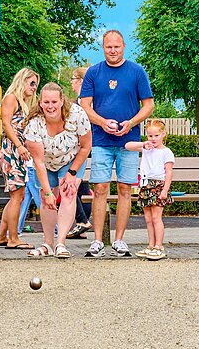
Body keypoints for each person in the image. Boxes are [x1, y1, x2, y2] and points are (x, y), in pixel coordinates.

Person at [79, 30, 154, 258]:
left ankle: (120, 240)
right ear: (103, 48)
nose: (113, 50)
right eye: (108, 47)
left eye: (116, 47)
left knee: (125, 188)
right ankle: (98, 241)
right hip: (101, 140)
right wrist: (102, 123)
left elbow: (149, 105)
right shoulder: (93, 73)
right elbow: (84, 105)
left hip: (129, 141)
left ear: (123, 46)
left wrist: (131, 123)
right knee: (100, 188)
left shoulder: (136, 71)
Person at [22, 82, 93, 258]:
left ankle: (60, 243)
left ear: (62, 101)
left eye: (54, 101)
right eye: (46, 102)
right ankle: (48, 243)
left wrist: (72, 173)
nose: (50, 106)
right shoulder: (34, 125)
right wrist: (47, 192)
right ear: (40, 103)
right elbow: (38, 161)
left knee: (68, 192)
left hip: (72, 158)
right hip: (46, 162)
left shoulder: (77, 115)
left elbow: (86, 147)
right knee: (47, 200)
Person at [0, 67, 39, 250]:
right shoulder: (11, 98)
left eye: (36, 84)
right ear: (23, 80)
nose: (34, 87)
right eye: (32, 83)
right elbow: (6, 123)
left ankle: (2, 236)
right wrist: (19, 146)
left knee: (16, 196)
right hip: (12, 150)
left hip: (20, 152)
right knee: (17, 196)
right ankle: (13, 238)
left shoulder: (26, 103)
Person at [125, 118, 175, 260]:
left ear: (163, 134)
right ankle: (151, 245)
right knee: (147, 218)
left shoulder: (166, 152)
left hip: (159, 185)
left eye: (156, 136)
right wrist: (143, 144)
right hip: (146, 185)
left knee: (156, 217)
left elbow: (169, 172)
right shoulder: (146, 148)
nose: (153, 139)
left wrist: (165, 190)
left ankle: (159, 246)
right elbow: (128, 145)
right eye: (150, 136)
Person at [67, 65, 93, 239]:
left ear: (81, 81)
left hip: (81, 148)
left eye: (73, 79)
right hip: (90, 147)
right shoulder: (92, 100)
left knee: (69, 184)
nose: (71, 82)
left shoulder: (81, 102)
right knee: (83, 188)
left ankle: (82, 220)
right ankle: (81, 225)